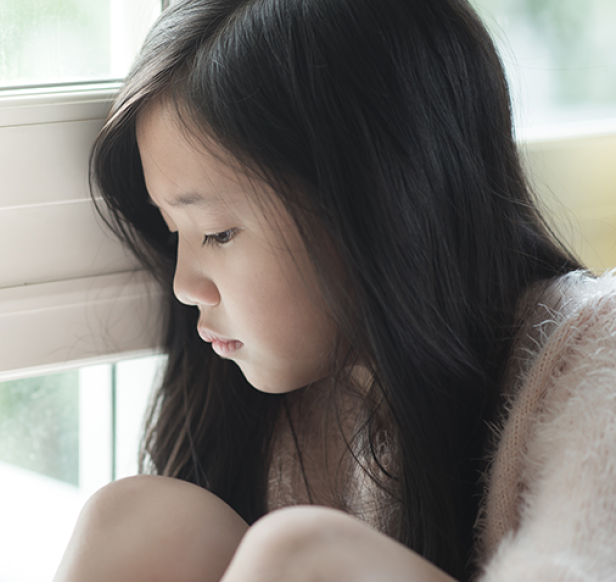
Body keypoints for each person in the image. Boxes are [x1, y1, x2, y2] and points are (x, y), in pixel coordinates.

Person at [52, 0, 616, 581]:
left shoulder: (595, 355)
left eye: (218, 233)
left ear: (383, 204)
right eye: (177, 236)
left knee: (303, 559)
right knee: (136, 522)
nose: (185, 286)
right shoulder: (279, 400)